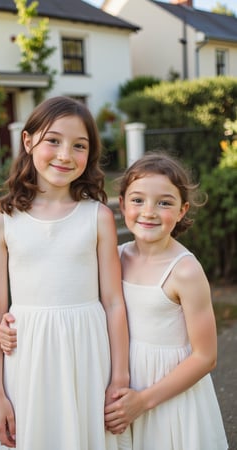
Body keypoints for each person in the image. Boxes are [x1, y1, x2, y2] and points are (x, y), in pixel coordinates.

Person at [0, 96, 131, 450]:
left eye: (79, 146)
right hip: (27, 357)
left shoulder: (98, 217)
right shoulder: (1, 223)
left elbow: (113, 302)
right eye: (54, 140)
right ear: (28, 141)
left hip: (87, 355)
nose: (65, 155)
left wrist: (120, 377)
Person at [103, 152, 228, 449]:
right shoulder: (114, 258)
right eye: (137, 200)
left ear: (183, 210)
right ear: (121, 204)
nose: (149, 212)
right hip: (123, 389)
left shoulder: (185, 271)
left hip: (170, 397)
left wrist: (143, 401)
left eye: (164, 202)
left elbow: (205, 357)